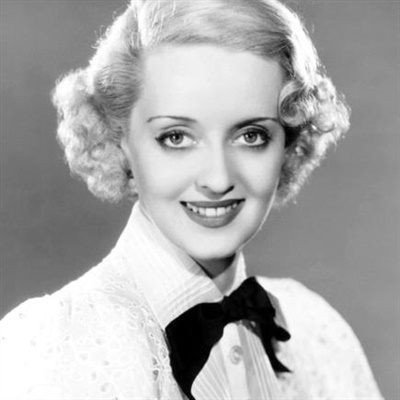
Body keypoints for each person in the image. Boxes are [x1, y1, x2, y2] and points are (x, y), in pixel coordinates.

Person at [0, 0, 383, 399]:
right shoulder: (53, 348)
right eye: (176, 137)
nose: (218, 179)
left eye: (251, 136)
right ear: (118, 140)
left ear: (288, 142)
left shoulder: (315, 333)